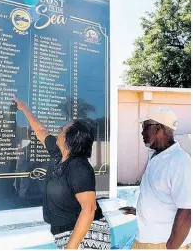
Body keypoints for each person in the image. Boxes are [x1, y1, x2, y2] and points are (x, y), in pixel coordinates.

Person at [13, 97, 110, 249]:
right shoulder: (58, 153)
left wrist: (70, 248)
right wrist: (24, 108)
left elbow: (89, 209)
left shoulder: (78, 167)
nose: (58, 130)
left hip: (86, 236)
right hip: (66, 234)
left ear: (68, 140)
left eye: (61, 130)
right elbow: (40, 131)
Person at [120, 107, 191, 249]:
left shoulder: (179, 160)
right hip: (144, 241)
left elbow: (187, 210)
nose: (142, 132)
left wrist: (171, 246)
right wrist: (139, 210)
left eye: (145, 127)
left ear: (158, 128)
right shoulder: (156, 156)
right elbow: (159, 195)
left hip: (163, 243)